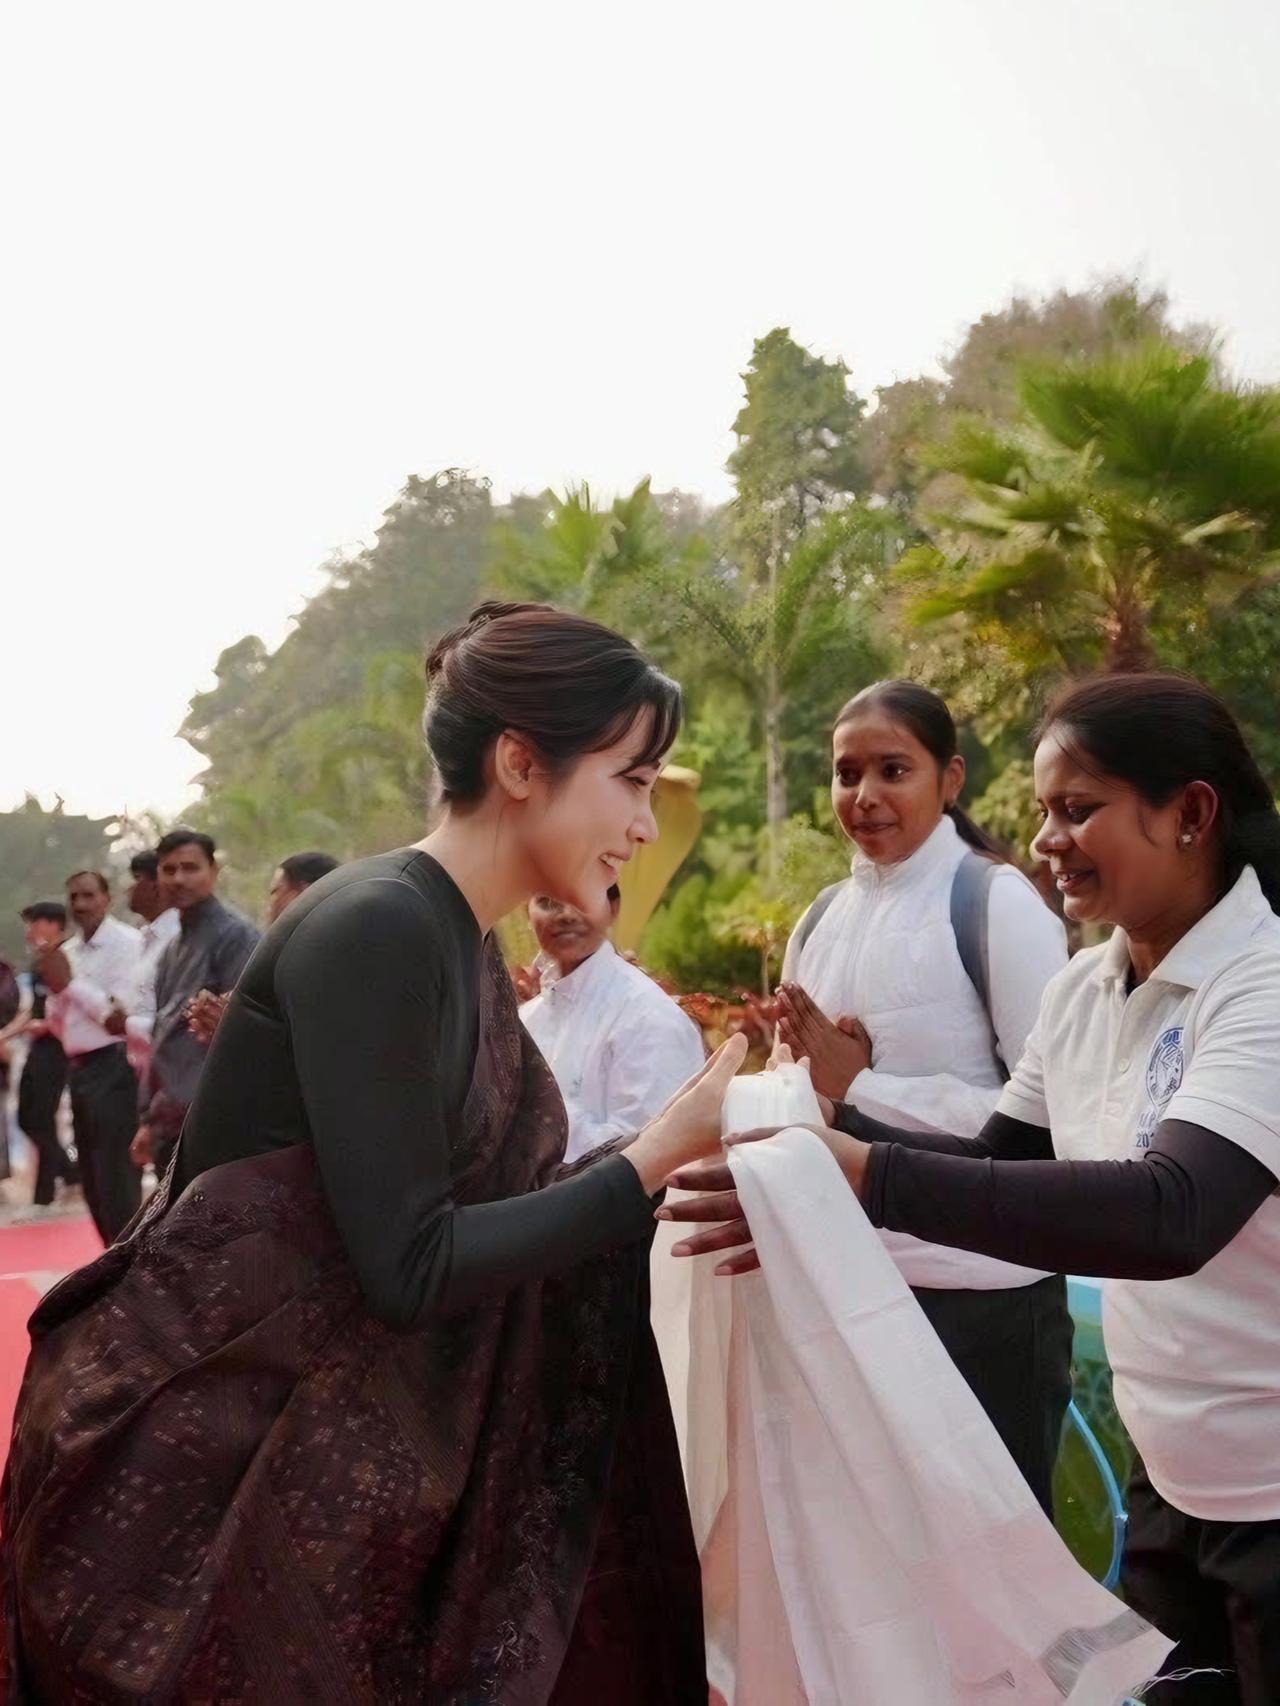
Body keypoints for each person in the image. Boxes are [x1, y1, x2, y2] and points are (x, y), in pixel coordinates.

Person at [1, 601, 746, 1703]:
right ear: (519, 763)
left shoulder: (455, 934)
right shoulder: (383, 924)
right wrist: (651, 1156)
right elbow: (411, 1266)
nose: (644, 824)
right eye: (632, 779)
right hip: (203, 1499)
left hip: (304, 1485)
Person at [667, 671, 1280, 1706]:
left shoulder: (1260, 983)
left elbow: (1173, 1210)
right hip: (1173, 1473)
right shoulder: (1083, 991)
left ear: (1190, 813)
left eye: (1077, 809)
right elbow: (1001, 1165)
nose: (1045, 839)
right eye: (1043, 809)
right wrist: (804, 1170)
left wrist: (858, 1166)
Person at [770, 681, 1071, 1513]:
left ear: (951, 778)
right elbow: (798, 1100)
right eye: (847, 773)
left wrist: (859, 1087)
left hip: (985, 1297)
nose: (864, 795)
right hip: (852, 1291)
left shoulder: (995, 903)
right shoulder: (819, 920)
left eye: (893, 770)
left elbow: (1054, 1120)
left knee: (998, 1551)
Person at [520, 884, 706, 1164]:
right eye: (548, 902)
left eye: (583, 898)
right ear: (528, 912)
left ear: (613, 909)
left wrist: (535, 1111)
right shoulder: (526, 1019)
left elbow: (646, 1154)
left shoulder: (650, 1017)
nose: (566, 914)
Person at [131, 829, 259, 1179]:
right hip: (171, 1121)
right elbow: (163, 1036)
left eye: (190, 868)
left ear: (214, 871)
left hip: (213, 1120)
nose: (179, 879)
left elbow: (246, 1031)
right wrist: (149, 1120)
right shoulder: (172, 950)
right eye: (169, 869)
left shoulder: (236, 936)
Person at [39, 871, 141, 1242]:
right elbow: (58, 1023)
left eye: (88, 895)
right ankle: (110, 1260)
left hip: (116, 1064)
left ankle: (130, 1264)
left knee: (117, 1176)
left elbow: (119, 1017)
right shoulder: (67, 952)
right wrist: (57, 990)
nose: (81, 905)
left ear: (106, 898)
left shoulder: (128, 944)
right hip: (79, 1069)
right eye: (74, 897)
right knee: (92, 1178)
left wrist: (70, 985)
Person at [187, 849, 341, 1045]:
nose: (269, 906)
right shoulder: (289, 960)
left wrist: (238, 1030)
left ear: (303, 894)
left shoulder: (325, 966)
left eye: (275, 892)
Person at [0, 905, 77, 1211]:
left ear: (54, 925)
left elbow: (72, 1006)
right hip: (37, 1047)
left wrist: (46, 1025)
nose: (29, 932)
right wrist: (7, 1034)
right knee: (26, 1118)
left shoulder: (71, 956)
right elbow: (32, 1011)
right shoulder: (38, 964)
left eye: (34, 924)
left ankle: (45, 1196)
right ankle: (71, 1174)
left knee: (42, 1118)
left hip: (59, 1048)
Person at [121, 849, 181, 1080]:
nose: (128, 888)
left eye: (136, 879)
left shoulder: (176, 939)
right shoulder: (145, 939)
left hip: (170, 1074)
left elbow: (177, 1020)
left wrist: (126, 1024)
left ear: (156, 885)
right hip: (142, 1071)